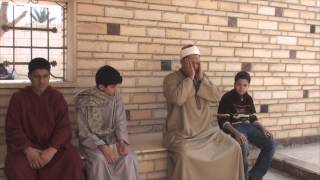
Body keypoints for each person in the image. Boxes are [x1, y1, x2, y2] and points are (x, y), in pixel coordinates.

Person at [163, 45, 245, 180]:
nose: (196, 66)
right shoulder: (171, 79)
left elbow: (217, 96)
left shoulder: (202, 77)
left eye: (198, 63)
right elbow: (178, 99)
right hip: (182, 134)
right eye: (192, 63)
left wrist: (201, 79)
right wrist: (189, 79)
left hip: (208, 133)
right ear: (183, 61)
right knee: (184, 155)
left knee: (234, 147)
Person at [5, 57, 85, 180]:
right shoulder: (18, 98)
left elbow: (64, 128)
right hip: (26, 149)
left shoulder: (57, 98)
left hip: (53, 149)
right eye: (37, 76)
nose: (41, 81)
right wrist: (29, 150)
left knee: (72, 160)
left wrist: (51, 151)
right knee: (16, 167)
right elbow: (12, 128)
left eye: (45, 76)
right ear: (29, 76)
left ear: (49, 76)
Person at [76, 65, 138, 180]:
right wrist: (103, 147)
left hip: (112, 140)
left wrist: (122, 142)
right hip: (91, 143)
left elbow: (120, 122)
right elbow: (83, 131)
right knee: (100, 160)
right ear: (101, 86)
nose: (115, 90)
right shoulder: (85, 100)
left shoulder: (116, 98)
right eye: (112, 87)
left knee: (128, 157)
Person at [218, 71, 276, 180]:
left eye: (245, 85)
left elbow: (253, 119)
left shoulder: (248, 99)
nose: (241, 88)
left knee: (271, 143)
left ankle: (254, 176)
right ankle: (243, 177)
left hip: (249, 127)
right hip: (234, 128)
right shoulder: (227, 97)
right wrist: (236, 133)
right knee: (243, 144)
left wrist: (263, 129)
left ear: (248, 86)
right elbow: (223, 121)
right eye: (239, 84)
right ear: (234, 84)